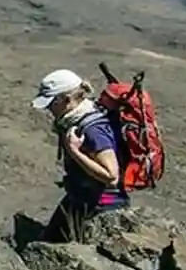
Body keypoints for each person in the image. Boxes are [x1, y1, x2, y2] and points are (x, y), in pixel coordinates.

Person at [31, 68, 127, 242]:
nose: (48, 110)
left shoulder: (93, 129)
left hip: (102, 206)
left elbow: (111, 177)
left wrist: (74, 151)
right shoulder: (75, 120)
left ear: (66, 100)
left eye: (52, 104)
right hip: (80, 197)